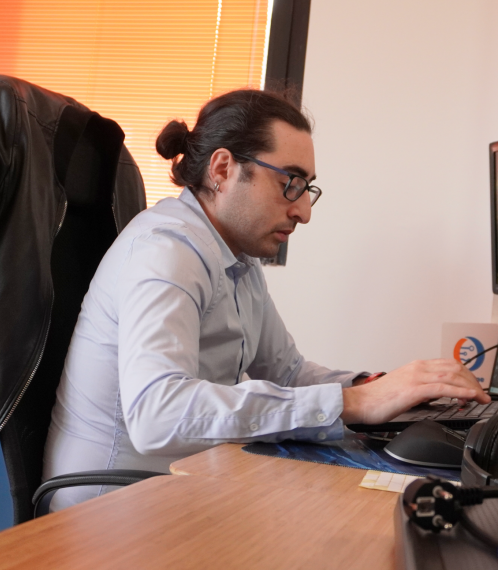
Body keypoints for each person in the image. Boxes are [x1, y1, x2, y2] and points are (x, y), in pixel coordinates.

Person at [43, 89, 488, 509]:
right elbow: (158, 414)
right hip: (110, 507)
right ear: (222, 169)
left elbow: (287, 373)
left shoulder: (237, 256)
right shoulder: (165, 251)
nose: (303, 211)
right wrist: (354, 404)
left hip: (177, 485)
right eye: (290, 183)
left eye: (307, 188)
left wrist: (378, 387)